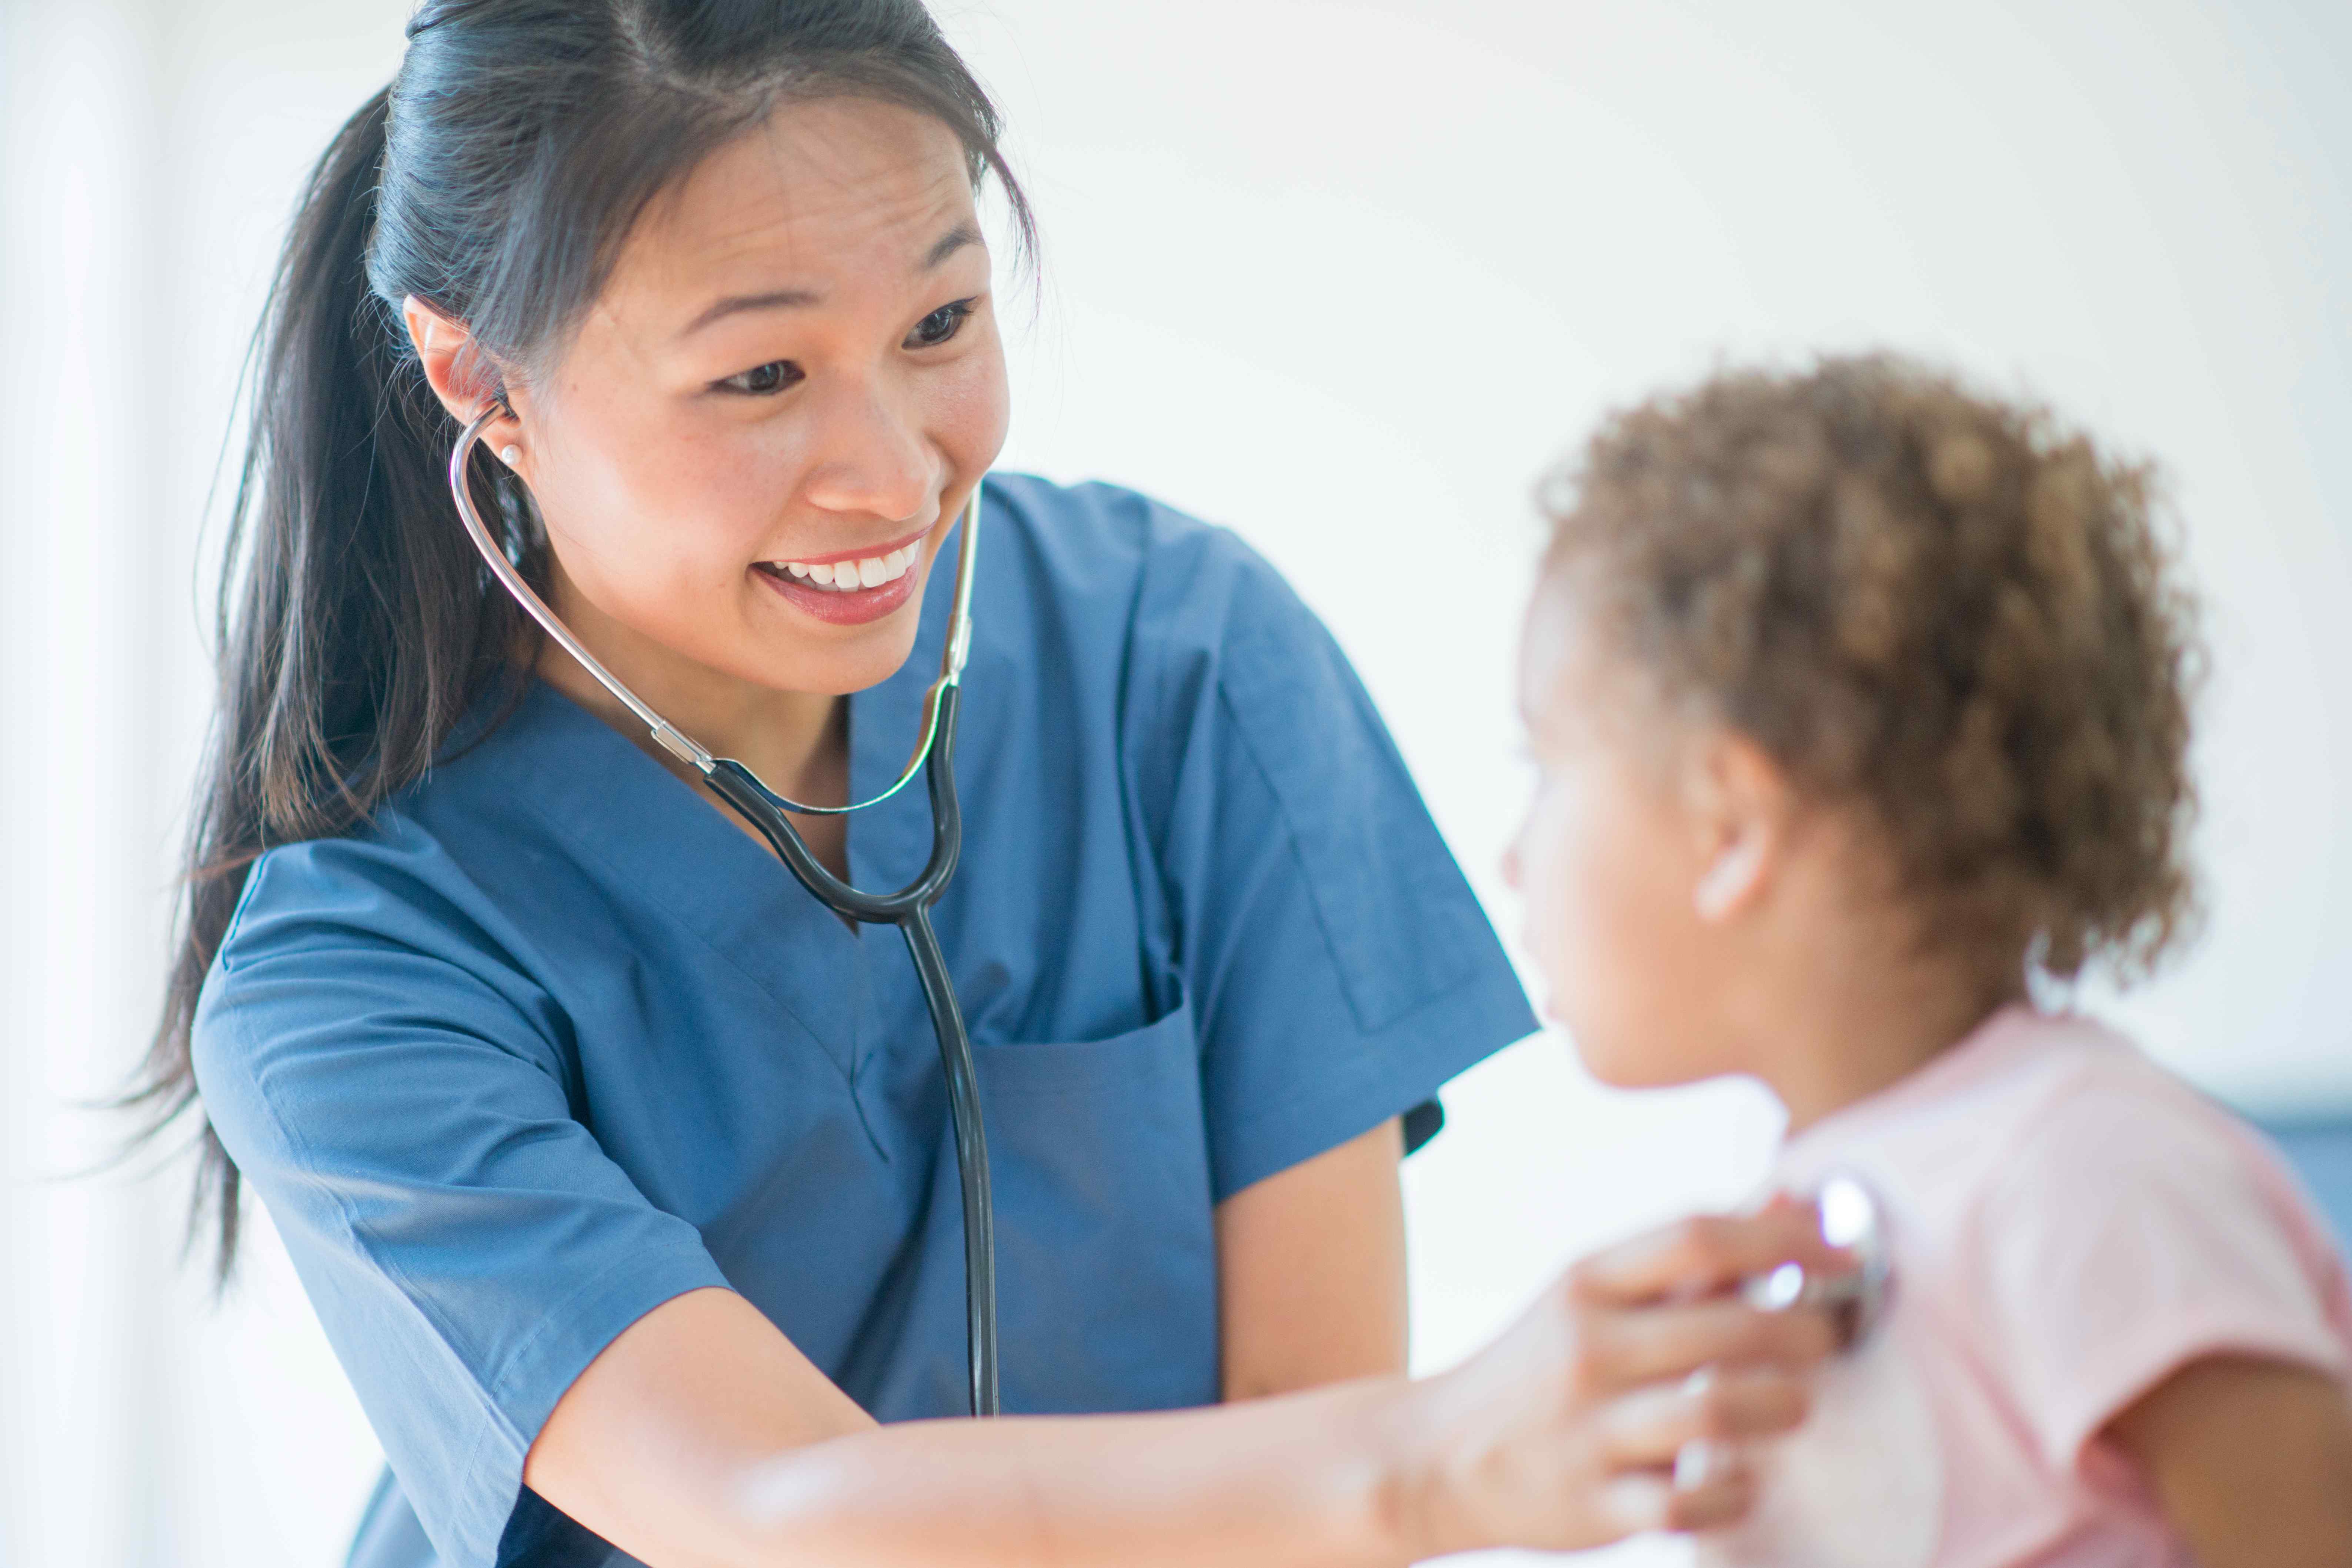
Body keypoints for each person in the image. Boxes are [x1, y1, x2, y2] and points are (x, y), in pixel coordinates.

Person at [130, 4, 1844, 1564]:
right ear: (481, 382)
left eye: (941, 322)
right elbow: (774, 1510)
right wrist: (1449, 1458)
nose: (892, 472)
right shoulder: (348, 982)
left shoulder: (1176, 659)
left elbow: (1318, 1442)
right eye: (761, 376)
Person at [1506, 353, 2352, 1567]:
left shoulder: (2087, 1176)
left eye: (1544, 761)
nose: (1510, 856)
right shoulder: (1824, 1213)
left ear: (1731, 822)